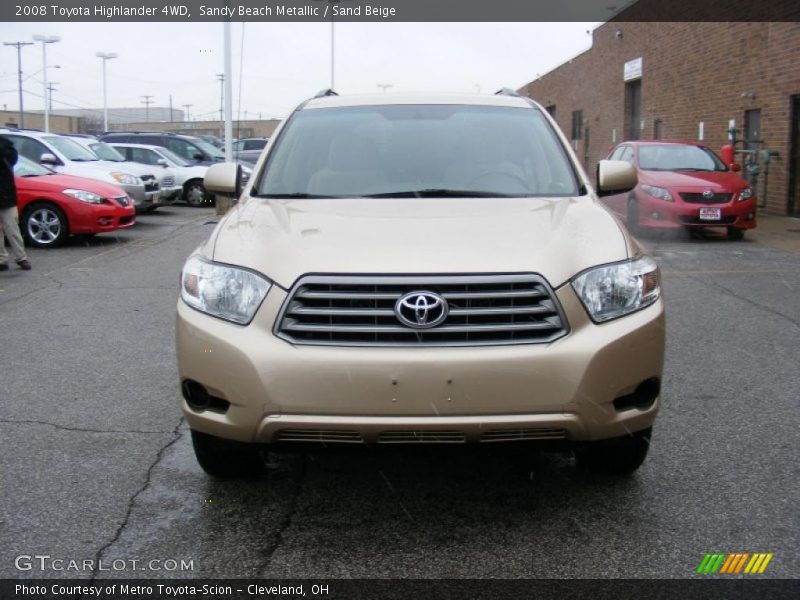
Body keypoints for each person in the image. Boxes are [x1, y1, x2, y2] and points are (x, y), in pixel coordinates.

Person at [0, 136, 31, 271]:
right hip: (6, 193)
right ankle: (1, 259)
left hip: (6, 194)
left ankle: (21, 257)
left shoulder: (5, 145)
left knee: (12, 227)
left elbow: (12, 159)